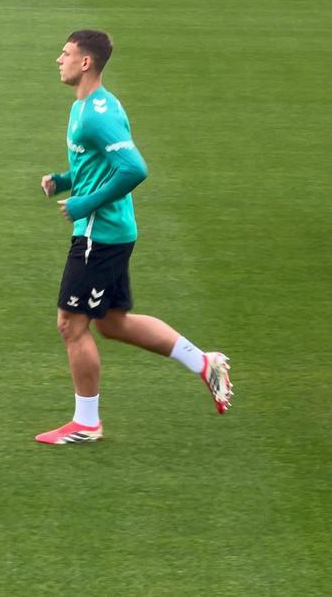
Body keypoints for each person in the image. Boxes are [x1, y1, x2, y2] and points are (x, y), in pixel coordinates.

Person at [35, 30, 233, 444]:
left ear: (85, 62)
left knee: (71, 325)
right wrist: (66, 180)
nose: (59, 59)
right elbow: (101, 163)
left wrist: (85, 204)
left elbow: (134, 169)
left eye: (66, 53)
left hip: (99, 233)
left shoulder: (97, 114)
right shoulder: (88, 106)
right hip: (112, 229)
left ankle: (87, 423)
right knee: (112, 322)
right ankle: (204, 362)